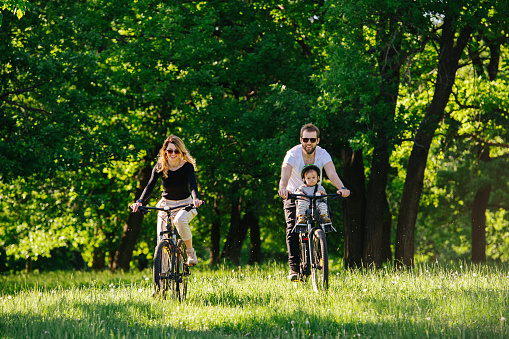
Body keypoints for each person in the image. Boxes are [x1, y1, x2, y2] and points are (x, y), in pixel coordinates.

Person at [278, 123, 350, 281]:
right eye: (305, 139)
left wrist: (342, 188)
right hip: (293, 195)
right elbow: (285, 173)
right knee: (292, 228)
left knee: (325, 219)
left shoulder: (323, 154)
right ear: (301, 139)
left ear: (317, 140)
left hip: (315, 194)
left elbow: (332, 173)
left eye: (312, 139)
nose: (308, 142)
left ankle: (318, 251)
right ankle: (294, 268)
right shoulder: (292, 154)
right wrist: (283, 189)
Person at [130, 135, 203, 266]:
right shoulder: (161, 166)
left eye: (176, 151)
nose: (173, 154)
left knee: (180, 220)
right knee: (161, 240)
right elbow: (150, 186)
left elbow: (193, 185)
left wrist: (196, 199)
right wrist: (140, 201)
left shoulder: (187, 167)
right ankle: (162, 278)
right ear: (165, 151)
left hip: (185, 203)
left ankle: (191, 253)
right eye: (170, 151)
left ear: (181, 152)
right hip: (165, 205)